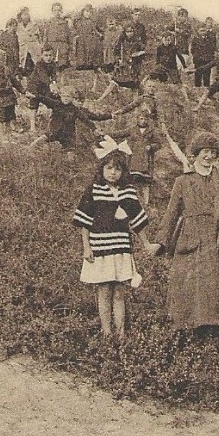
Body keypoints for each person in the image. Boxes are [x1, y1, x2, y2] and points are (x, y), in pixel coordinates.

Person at [150, 131, 219, 343]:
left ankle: (215, 340)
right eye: (205, 152)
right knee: (188, 292)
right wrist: (160, 242)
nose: (209, 156)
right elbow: (171, 214)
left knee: (216, 294)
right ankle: (187, 340)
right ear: (195, 154)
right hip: (192, 242)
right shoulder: (183, 182)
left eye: (213, 152)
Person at [72, 142, 155, 340]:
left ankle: (121, 333)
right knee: (104, 291)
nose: (113, 173)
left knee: (119, 292)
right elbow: (85, 222)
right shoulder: (94, 190)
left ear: (123, 172)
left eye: (117, 169)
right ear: (101, 169)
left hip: (120, 247)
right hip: (100, 247)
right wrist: (86, 247)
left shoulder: (127, 192)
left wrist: (146, 244)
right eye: (109, 168)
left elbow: (137, 221)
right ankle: (106, 332)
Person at [28, 85, 114, 151]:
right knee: (40, 140)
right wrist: (34, 96)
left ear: (72, 98)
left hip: (67, 135)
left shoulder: (75, 109)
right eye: (64, 96)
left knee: (70, 153)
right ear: (60, 96)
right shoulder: (56, 104)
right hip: (54, 131)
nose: (65, 98)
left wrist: (94, 129)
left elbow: (85, 119)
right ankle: (28, 150)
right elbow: (44, 99)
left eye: (68, 96)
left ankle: (68, 165)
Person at [109, 109, 163, 208]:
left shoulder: (152, 131)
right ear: (137, 119)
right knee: (132, 180)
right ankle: (132, 202)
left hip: (146, 160)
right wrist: (106, 134)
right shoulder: (132, 129)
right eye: (141, 119)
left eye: (145, 119)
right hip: (133, 159)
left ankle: (145, 204)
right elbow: (119, 134)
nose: (143, 121)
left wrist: (151, 147)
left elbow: (159, 144)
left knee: (145, 182)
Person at [72, 4, 104, 71]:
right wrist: (75, 35)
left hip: (90, 38)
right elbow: (75, 29)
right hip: (81, 38)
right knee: (81, 51)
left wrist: (100, 35)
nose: (88, 13)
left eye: (90, 12)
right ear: (83, 12)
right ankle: (81, 64)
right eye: (86, 11)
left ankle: (89, 64)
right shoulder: (79, 21)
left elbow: (95, 30)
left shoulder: (92, 21)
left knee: (90, 51)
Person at [189, 17, 217, 88]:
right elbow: (192, 50)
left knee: (206, 76)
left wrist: (209, 57)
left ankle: (206, 91)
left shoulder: (209, 39)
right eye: (201, 31)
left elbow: (212, 48)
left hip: (207, 60)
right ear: (198, 31)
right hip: (198, 60)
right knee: (198, 75)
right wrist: (196, 56)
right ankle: (197, 90)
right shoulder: (195, 39)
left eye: (204, 30)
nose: (202, 32)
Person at [43, 2, 72, 70]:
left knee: (62, 65)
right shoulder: (49, 23)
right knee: (50, 65)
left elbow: (69, 36)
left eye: (59, 10)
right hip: (52, 46)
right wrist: (44, 47)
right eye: (55, 10)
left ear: (61, 11)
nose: (57, 12)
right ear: (52, 12)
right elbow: (45, 36)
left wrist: (69, 47)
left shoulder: (65, 23)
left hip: (62, 47)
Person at [15, 7, 43, 74]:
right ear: (21, 16)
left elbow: (39, 37)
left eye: (27, 14)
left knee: (35, 65)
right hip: (23, 49)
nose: (26, 16)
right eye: (24, 14)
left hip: (33, 48)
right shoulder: (18, 26)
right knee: (24, 65)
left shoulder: (34, 24)